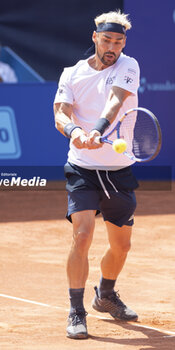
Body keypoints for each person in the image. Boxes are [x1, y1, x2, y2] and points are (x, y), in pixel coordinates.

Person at [54, 10, 140, 339]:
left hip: (118, 171)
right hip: (82, 169)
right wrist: (76, 132)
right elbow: (60, 113)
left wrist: (99, 129)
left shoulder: (128, 65)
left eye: (118, 42)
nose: (112, 47)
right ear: (95, 38)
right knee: (83, 235)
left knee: (121, 247)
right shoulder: (72, 74)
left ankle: (105, 295)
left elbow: (116, 102)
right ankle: (76, 310)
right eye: (106, 40)